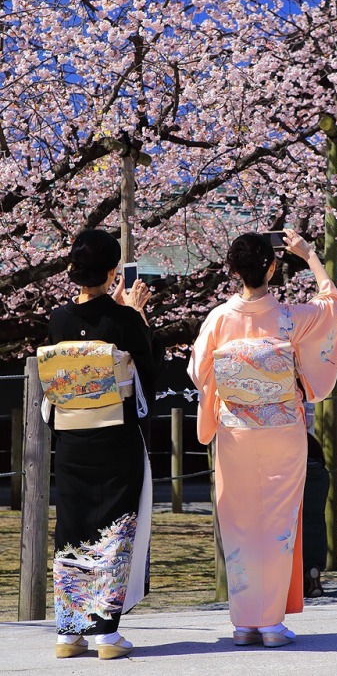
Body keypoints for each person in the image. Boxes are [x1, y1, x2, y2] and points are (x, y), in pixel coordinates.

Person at [187, 229, 337, 647]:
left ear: (234, 271)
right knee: (278, 522)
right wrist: (309, 256)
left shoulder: (219, 318)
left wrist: (232, 383)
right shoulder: (292, 316)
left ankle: (243, 623)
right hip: (282, 429)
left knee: (238, 523)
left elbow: (199, 372)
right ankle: (271, 624)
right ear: (272, 268)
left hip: (236, 431)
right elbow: (332, 304)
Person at [45, 229, 162, 660]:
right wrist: (135, 313)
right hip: (115, 435)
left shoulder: (57, 319)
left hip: (73, 435)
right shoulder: (123, 320)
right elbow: (148, 374)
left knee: (73, 527)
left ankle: (68, 632)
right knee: (112, 527)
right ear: (114, 271)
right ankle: (106, 635)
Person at [302, 431, 329, 598]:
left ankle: (300, 575)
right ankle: (314, 568)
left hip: (293, 471)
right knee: (317, 521)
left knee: (291, 525)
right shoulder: (307, 436)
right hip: (319, 471)